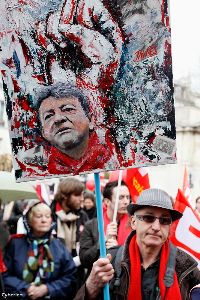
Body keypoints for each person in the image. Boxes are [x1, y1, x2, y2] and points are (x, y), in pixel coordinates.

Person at [75, 188, 200, 300]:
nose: (156, 227)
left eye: (164, 220)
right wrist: (91, 287)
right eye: (148, 218)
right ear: (134, 222)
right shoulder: (110, 261)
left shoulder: (187, 267)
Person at [19, 82, 120, 175]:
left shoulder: (119, 153)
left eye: (68, 109)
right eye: (48, 116)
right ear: (44, 133)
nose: (58, 119)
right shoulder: (36, 170)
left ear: (90, 120)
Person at [2, 201, 77, 300]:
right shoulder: (15, 244)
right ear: (29, 220)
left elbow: (70, 277)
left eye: (47, 216)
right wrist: (26, 288)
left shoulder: (59, 246)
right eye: (38, 216)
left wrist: (47, 289)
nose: (44, 220)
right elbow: (5, 275)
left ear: (51, 220)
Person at [79, 180, 131, 274]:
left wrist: (118, 250)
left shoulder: (134, 224)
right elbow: (84, 259)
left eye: (128, 197)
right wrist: (103, 241)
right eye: (121, 197)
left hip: (124, 280)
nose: (126, 202)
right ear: (107, 201)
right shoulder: (92, 225)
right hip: (100, 281)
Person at [51, 177, 89, 291]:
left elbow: (86, 246)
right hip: (54, 277)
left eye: (83, 195)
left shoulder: (83, 216)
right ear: (65, 196)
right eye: (78, 195)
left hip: (77, 277)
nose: (82, 199)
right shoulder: (48, 216)